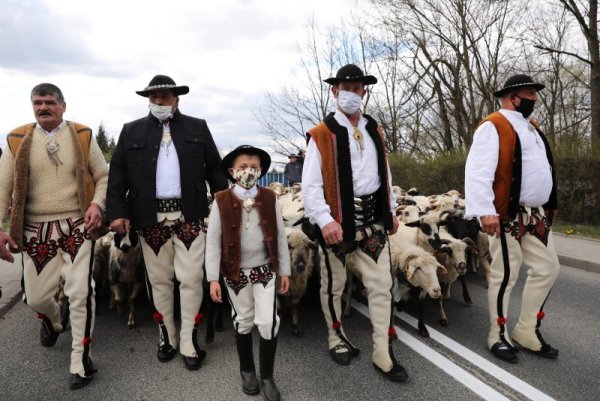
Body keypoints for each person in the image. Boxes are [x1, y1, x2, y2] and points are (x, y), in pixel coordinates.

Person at [105, 75, 228, 370]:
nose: (159, 101)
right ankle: (167, 337)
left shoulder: (197, 127)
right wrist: (117, 212)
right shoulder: (131, 130)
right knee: (159, 281)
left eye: (165, 96)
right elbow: (117, 174)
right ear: (149, 100)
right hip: (149, 218)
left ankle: (189, 339)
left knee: (190, 279)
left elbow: (215, 168)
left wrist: (225, 203)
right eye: (154, 97)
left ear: (176, 99)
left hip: (190, 216)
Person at [0, 83, 108, 389]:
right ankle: (54, 320)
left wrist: (98, 204)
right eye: (37, 103)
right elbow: (2, 185)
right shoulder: (17, 138)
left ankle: (80, 360)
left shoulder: (83, 135)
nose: (42, 107)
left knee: (80, 293)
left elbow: (102, 177)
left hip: (77, 226)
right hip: (36, 231)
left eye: (49, 102)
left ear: (63, 105)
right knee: (35, 297)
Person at [302, 64, 406, 382]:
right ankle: (336, 337)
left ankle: (382, 351)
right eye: (345, 87)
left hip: (373, 220)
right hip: (338, 223)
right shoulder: (321, 134)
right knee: (334, 284)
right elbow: (310, 185)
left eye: (357, 87)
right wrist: (324, 220)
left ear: (363, 91)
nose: (352, 92)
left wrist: (391, 210)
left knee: (381, 285)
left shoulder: (375, 128)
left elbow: (383, 174)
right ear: (335, 91)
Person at [465, 74, 560, 363]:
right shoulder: (493, 125)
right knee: (506, 274)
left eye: (535, 93)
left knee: (548, 268)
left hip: (536, 214)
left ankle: (527, 330)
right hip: (506, 213)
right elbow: (477, 171)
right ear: (513, 97)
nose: (536, 98)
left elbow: (544, 168)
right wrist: (485, 211)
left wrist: (550, 203)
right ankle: (498, 334)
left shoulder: (531, 128)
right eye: (530, 93)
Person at [206, 145, 290, 401]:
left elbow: (281, 237)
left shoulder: (270, 198)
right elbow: (213, 242)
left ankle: (267, 376)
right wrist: (212, 279)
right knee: (243, 320)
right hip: (235, 273)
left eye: (253, 167)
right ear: (232, 171)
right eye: (242, 167)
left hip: (265, 271)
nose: (248, 171)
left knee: (267, 322)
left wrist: (284, 271)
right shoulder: (220, 200)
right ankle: (247, 371)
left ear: (261, 170)